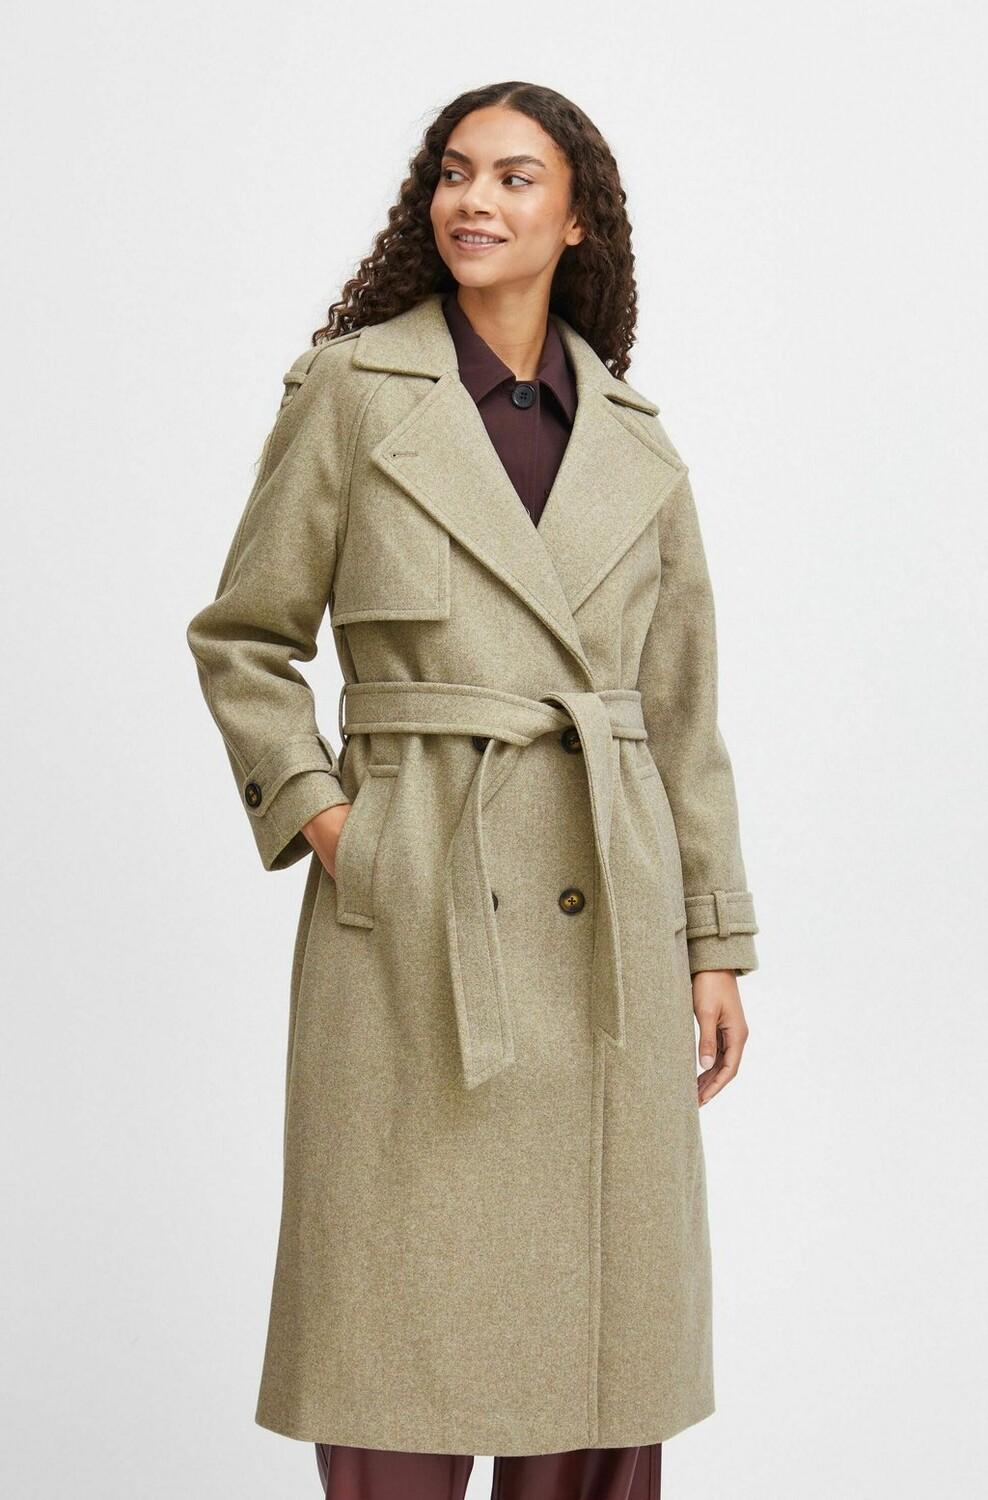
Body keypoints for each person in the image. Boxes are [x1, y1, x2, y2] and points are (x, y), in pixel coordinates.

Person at [186, 81, 760, 1500]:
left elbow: (681, 716)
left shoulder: (636, 439)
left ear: (577, 221)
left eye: (514, 178)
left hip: (606, 922)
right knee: (395, 1331)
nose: (474, 202)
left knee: (599, 1353)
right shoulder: (351, 393)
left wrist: (714, 941)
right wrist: (339, 826)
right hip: (416, 922)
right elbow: (245, 639)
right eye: (454, 173)